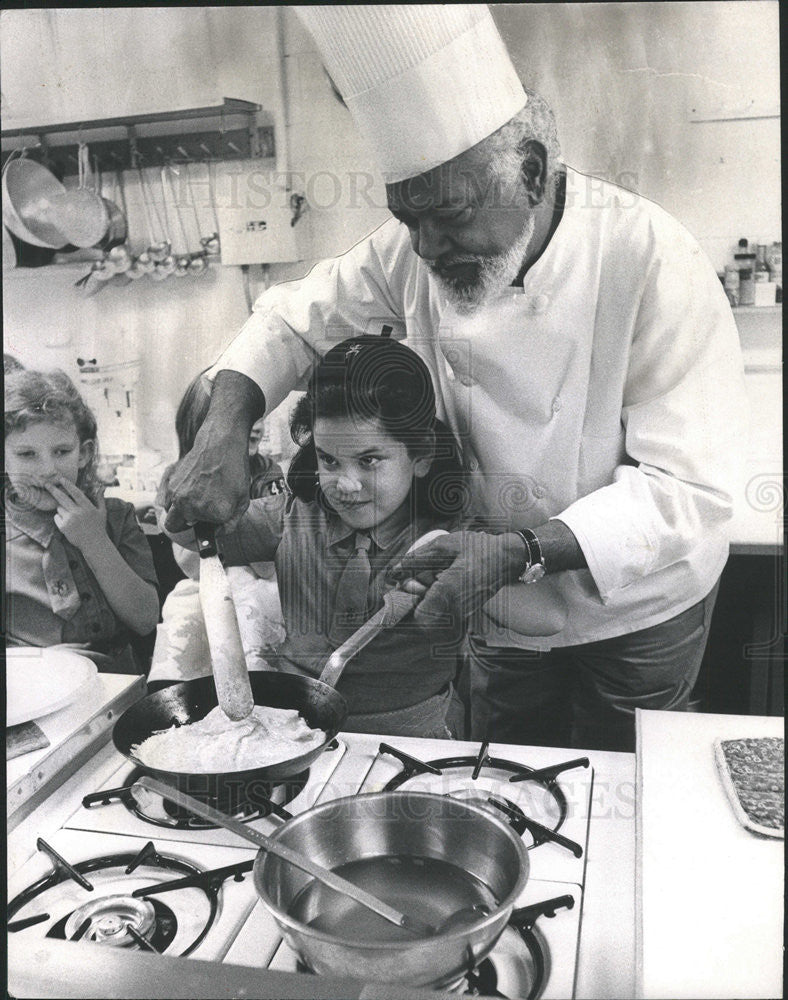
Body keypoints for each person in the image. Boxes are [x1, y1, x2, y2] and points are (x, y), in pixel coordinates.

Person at [162, 6, 748, 752]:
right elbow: (288, 321)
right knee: (503, 775)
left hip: (636, 603)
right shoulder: (413, 247)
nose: (428, 248)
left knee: (621, 787)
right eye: (408, 220)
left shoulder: (651, 258)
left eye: (451, 215)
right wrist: (220, 432)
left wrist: (520, 551)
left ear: (531, 172)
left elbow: (686, 490)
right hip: (492, 594)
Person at [166, 336, 565, 738]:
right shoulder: (295, 515)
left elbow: (548, 618)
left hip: (414, 740)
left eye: (369, 460)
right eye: (329, 460)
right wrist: (197, 481)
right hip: (296, 732)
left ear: (421, 455)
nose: (346, 484)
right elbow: (185, 532)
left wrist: (475, 572)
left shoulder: (453, 535)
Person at [4, 368, 159, 665]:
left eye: (62, 451)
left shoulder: (117, 517)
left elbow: (145, 620)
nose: (48, 469)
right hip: (35, 689)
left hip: (118, 687)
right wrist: (37, 660)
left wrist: (94, 541)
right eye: (26, 454)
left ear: (84, 454)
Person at [148, 373, 286, 688]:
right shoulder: (178, 481)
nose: (255, 426)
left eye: (256, 416)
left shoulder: (268, 474)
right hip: (204, 582)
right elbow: (188, 564)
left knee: (249, 593)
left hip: (262, 582)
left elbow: (271, 556)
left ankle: (258, 681)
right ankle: (174, 689)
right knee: (180, 604)